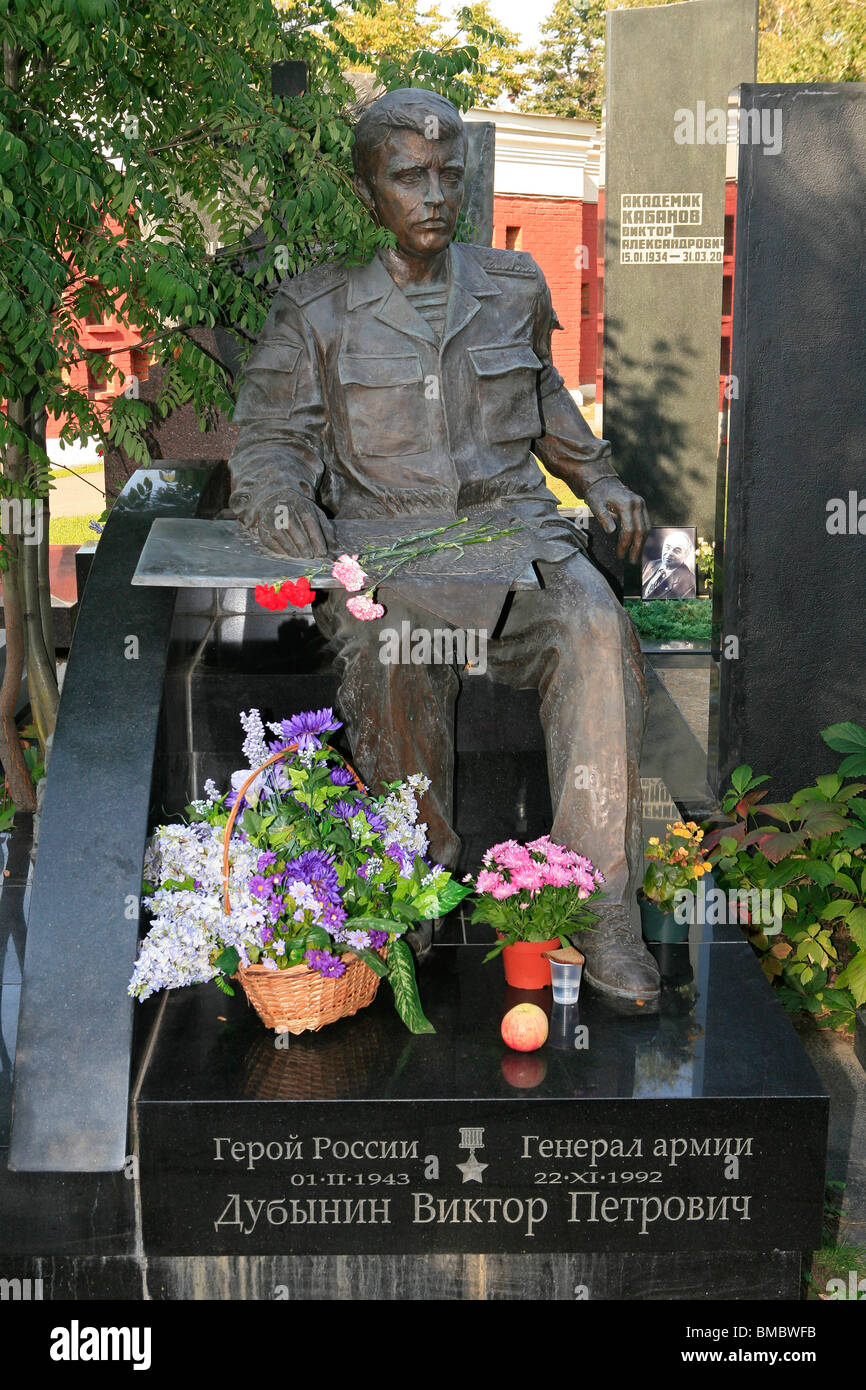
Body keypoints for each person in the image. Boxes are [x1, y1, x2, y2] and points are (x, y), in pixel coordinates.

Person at [228, 88, 660, 1010]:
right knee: (386, 648)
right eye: (409, 177)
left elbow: (545, 402)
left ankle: (603, 908)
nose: (434, 194)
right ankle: (415, 885)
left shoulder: (512, 285)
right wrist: (272, 500)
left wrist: (603, 480)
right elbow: (272, 438)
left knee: (594, 626)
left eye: (447, 175)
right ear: (367, 190)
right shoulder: (317, 310)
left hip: (515, 540)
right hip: (392, 550)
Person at [642, 530, 696, 600]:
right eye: (667, 547)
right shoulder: (650, 564)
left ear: (686, 554)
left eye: (677, 550)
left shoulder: (690, 583)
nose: (669, 553)